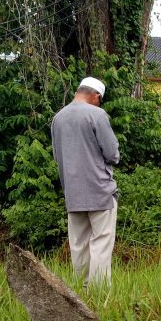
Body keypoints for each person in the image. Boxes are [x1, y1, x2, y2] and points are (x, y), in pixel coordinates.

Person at [50, 77, 120, 285]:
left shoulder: (58, 118)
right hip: (100, 190)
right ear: (96, 96)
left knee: (78, 244)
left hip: (73, 192)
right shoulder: (97, 115)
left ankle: (80, 291)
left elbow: (57, 156)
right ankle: (98, 293)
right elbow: (112, 153)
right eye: (100, 100)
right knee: (101, 243)